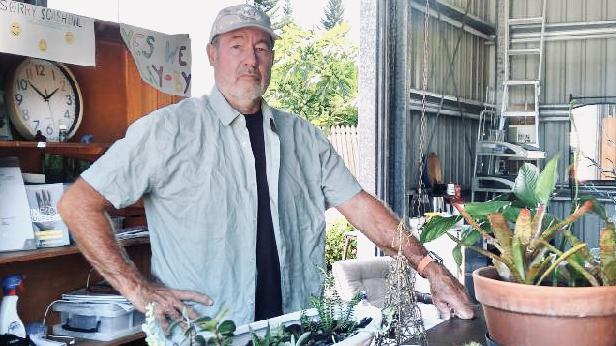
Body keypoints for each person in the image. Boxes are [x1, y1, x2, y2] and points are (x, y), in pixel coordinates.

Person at [58, 4, 473, 327]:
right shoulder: (168, 130)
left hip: (293, 330)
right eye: (236, 45)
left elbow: (361, 207)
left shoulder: (303, 138)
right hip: (205, 334)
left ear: (272, 59)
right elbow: (78, 204)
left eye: (261, 48)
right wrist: (136, 287)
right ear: (212, 54)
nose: (249, 59)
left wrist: (430, 268)